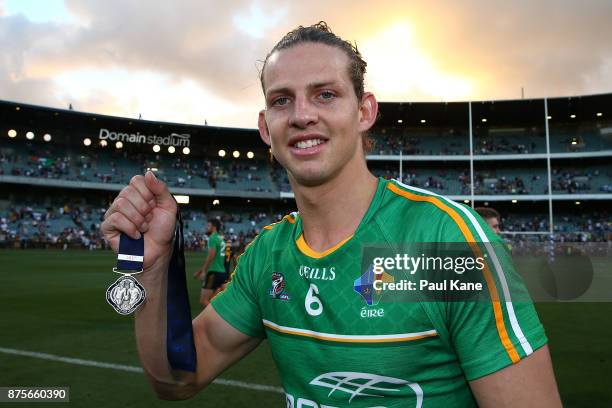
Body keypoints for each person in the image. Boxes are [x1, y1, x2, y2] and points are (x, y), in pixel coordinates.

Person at [101, 22, 561, 407]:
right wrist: (151, 270)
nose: (302, 115)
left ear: (364, 111)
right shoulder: (268, 256)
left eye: (325, 95)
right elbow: (177, 377)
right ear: (266, 127)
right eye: (282, 100)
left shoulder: (443, 240)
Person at [192, 218, 227, 307]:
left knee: (204, 301)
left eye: (208, 226)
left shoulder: (212, 238)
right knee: (216, 299)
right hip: (222, 272)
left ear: (214, 227)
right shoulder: (221, 238)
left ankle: (218, 317)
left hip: (214, 273)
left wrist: (203, 271)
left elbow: (211, 256)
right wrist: (201, 271)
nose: (207, 227)